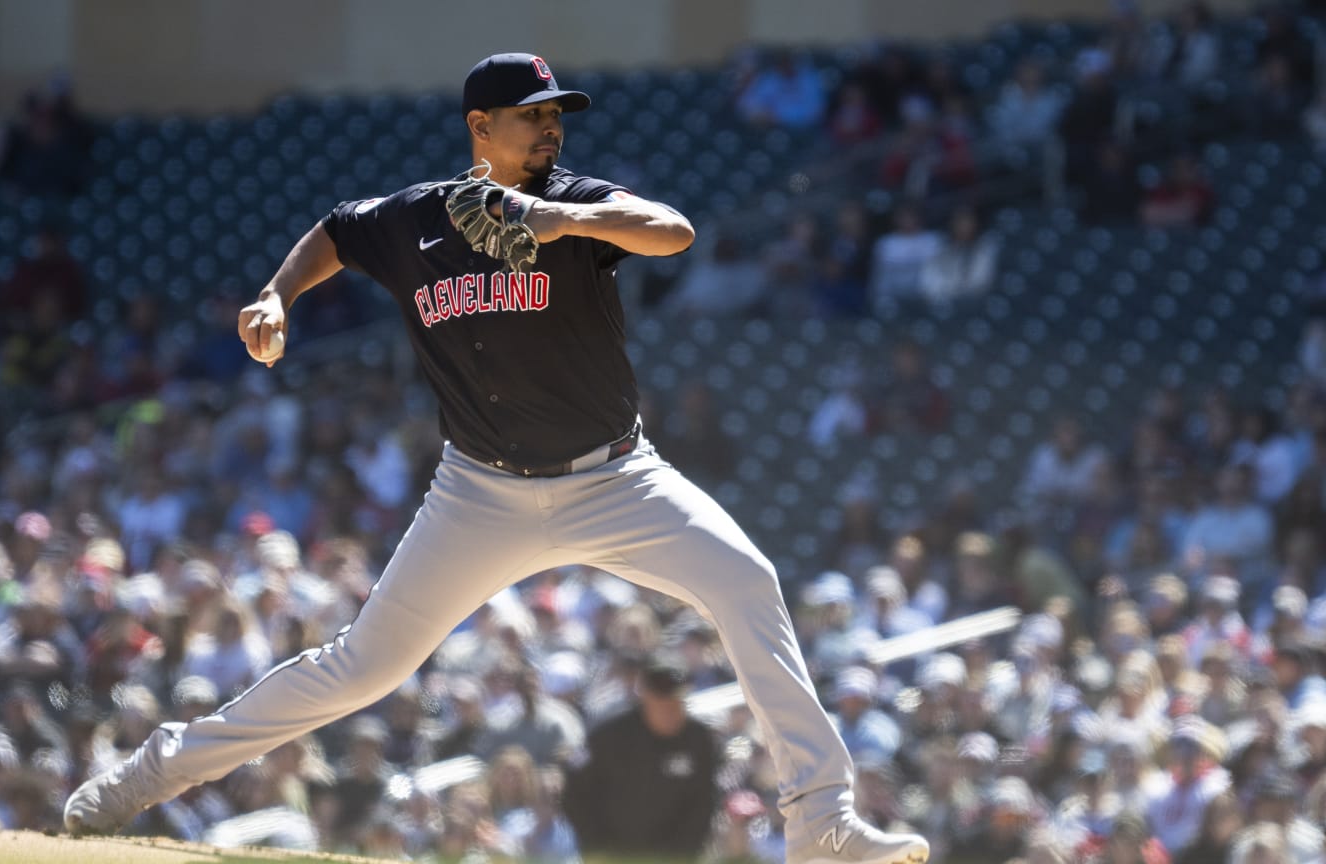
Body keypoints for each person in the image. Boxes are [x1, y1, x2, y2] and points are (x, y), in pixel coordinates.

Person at [63, 52, 931, 864]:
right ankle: (149, 777)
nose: (552, 127)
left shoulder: (577, 201)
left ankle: (823, 825)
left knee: (748, 581)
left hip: (616, 478)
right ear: (480, 126)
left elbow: (673, 231)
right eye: (532, 115)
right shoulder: (415, 220)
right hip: (477, 492)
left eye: (558, 114)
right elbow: (334, 231)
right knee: (362, 667)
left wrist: (564, 219)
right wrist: (275, 295)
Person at [562, 654, 719, 861]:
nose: (668, 710)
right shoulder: (608, 737)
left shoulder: (698, 741)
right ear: (644, 697)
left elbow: (704, 802)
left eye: (675, 702)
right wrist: (596, 848)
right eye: (660, 701)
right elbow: (574, 793)